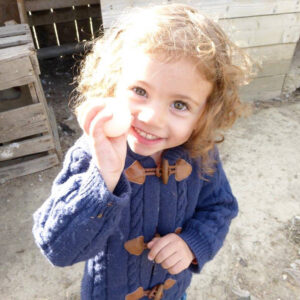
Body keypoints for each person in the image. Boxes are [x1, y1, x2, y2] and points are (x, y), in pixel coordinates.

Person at [32, 3, 252, 300]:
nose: (151, 118)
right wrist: (104, 178)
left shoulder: (200, 154)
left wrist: (192, 243)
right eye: (140, 91)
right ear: (113, 83)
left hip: (173, 294)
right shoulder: (94, 152)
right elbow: (56, 248)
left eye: (179, 105)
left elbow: (220, 207)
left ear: (204, 115)